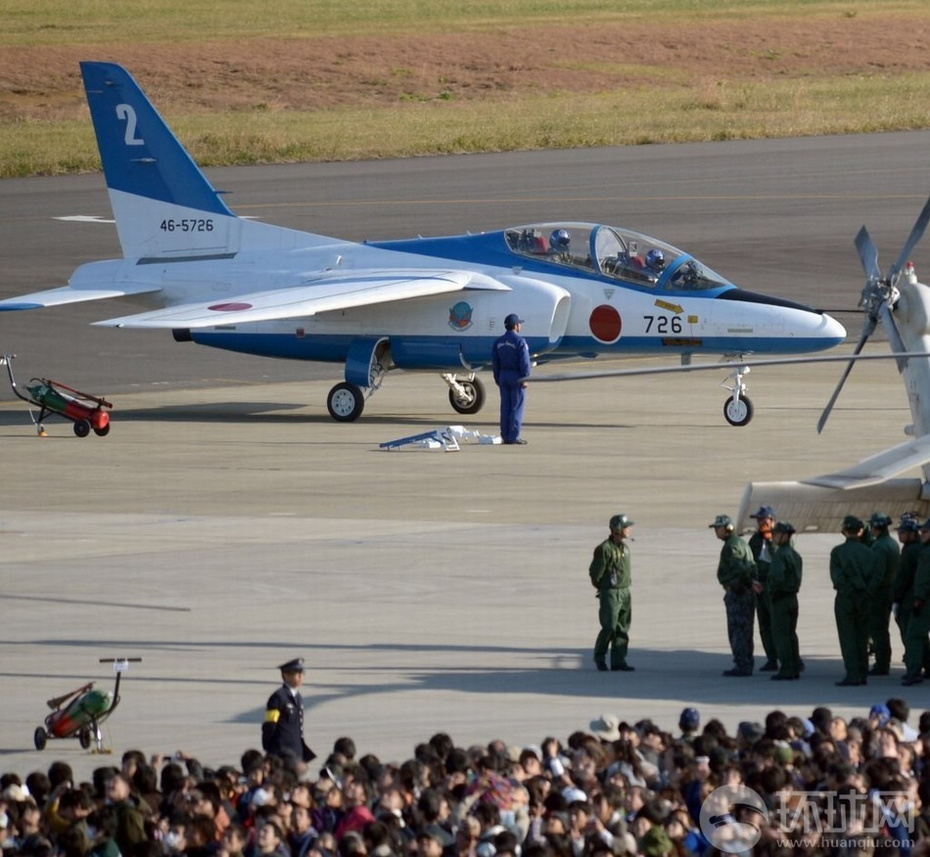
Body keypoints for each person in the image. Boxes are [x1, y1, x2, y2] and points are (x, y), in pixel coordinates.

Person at [830, 515, 881, 686]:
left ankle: (852, 673)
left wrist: (849, 590)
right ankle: (862, 672)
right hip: (864, 599)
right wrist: (866, 592)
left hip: (845, 599)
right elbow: (877, 577)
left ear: (844, 530)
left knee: (848, 637)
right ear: (860, 531)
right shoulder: (871, 553)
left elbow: (837, 578)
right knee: (862, 636)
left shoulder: (837, 552)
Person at [588, 514, 635, 672]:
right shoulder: (604, 549)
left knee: (622, 628)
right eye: (626, 526)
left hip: (625, 592)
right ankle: (599, 658)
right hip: (611, 593)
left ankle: (618, 661)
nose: (629, 529)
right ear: (617, 529)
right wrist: (604, 589)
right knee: (609, 627)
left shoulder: (625, 548)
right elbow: (595, 574)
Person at [711, 514, 756, 676]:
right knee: (745, 630)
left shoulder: (732, 546)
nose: (716, 531)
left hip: (739, 594)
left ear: (728, 528)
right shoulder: (739, 543)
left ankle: (742, 664)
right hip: (745, 592)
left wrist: (740, 583)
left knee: (738, 630)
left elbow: (740, 568)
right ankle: (746, 662)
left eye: (718, 528)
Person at [262, 658, 317, 764]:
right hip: (281, 751)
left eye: (302, 673)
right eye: (297, 673)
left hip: (296, 750)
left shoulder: (298, 697)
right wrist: (269, 747)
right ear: (286, 675)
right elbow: (270, 725)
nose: (301, 677)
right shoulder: (278, 697)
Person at [767, 521, 802, 680]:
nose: (773, 537)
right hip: (793, 598)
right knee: (791, 634)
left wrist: (772, 592)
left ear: (784, 535)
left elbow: (777, 579)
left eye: (776, 534)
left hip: (781, 599)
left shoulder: (780, 555)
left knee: (781, 636)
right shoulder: (795, 555)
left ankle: (786, 669)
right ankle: (794, 666)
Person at [491, 313, 531, 445]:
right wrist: (525, 377)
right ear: (515, 325)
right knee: (516, 407)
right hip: (516, 376)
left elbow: (495, 362)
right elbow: (524, 361)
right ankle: (513, 436)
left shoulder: (498, 342)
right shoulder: (520, 342)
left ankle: (505, 436)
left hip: (503, 375)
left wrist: (497, 378)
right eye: (519, 323)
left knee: (505, 407)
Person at [747, 505, 779, 673]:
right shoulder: (755, 540)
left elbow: (780, 558)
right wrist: (752, 580)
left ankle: (790, 658)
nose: (760, 522)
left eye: (763, 519)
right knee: (764, 624)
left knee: (778, 624)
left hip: (774, 587)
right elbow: (749, 560)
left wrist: (770, 539)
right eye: (759, 519)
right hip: (760, 585)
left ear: (772, 520)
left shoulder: (780, 536)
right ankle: (771, 658)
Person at [868, 511, 899, 675]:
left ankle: (882, 664)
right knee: (882, 629)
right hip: (889, 590)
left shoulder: (880, 546)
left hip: (880, 593)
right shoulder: (892, 543)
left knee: (878, 630)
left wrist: (869, 592)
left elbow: (878, 574)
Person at [903, 518, 930, 685]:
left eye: (925, 532)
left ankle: (914, 672)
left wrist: (918, 599)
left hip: (927, 600)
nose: (922, 534)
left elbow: (923, 579)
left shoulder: (927, 552)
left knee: (913, 635)